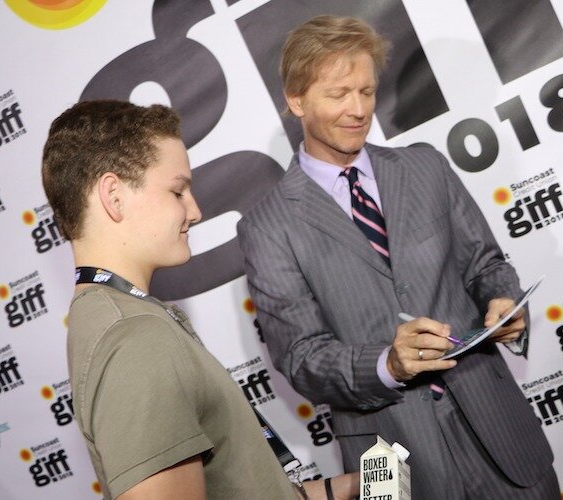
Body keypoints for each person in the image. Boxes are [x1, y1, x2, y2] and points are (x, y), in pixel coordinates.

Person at [237, 15, 559, 499]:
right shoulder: (267, 226)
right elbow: (301, 357)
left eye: (366, 92)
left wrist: (503, 302)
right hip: (394, 457)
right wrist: (389, 363)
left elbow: (486, 265)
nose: (358, 109)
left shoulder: (425, 167)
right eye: (339, 93)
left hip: (500, 433)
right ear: (296, 99)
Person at [41, 100, 358, 499]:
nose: (195, 210)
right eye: (178, 190)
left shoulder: (129, 319)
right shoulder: (133, 339)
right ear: (114, 196)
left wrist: (342, 489)